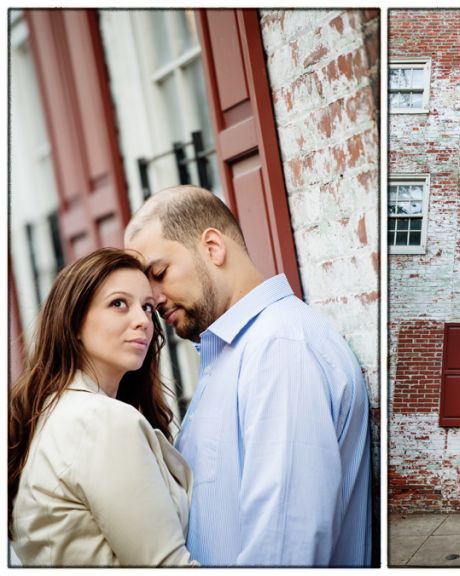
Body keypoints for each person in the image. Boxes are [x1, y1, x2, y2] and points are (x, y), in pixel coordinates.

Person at [124, 185, 371, 567]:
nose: (152, 298)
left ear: (212, 247)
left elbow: (286, 547)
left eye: (159, 273)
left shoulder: (281, 347)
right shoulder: (231, 352)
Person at [8, 248, 196, 567]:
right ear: (74, 323)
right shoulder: (101, 421)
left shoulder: (53, 412)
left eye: (148, 307)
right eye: (119, 304)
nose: (143, 321)